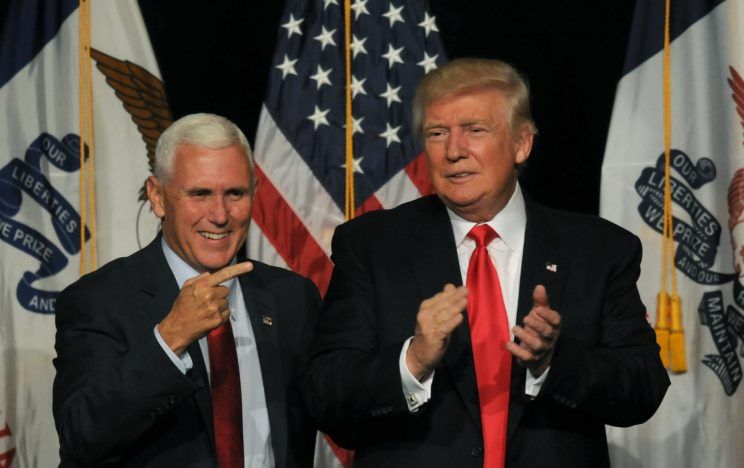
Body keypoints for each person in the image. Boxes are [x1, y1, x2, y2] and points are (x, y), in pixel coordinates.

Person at [302, 58, 670, 467]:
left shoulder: (597, 249)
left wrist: (554, 362)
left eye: (475, 130)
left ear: (521, 143)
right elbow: (324, 394)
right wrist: (413, 359)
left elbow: (643, 387)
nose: (454, 151)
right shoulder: (372, 246)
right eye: (437, 133)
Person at [53, 113, 320, 467]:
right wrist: (169, 338)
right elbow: (81, 435)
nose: (220, 214)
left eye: (235, 193)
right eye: (200, 193)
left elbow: (332, 414)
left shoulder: (291, 297)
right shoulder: (99, 300)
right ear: (158, 197)